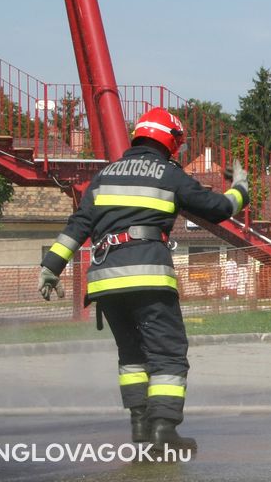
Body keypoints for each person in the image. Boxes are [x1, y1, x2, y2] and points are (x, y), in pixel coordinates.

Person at [37, 107, 249, 454]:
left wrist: (50, 267)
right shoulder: (169, 174)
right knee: (167, 355)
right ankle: (164, 429)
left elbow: (78, 225)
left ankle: (139, 426)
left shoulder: (104, 177)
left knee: (131, 355)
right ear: (171, 142)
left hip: (106, 282)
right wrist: (241, 188)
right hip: (148, 276)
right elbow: (218, 208)